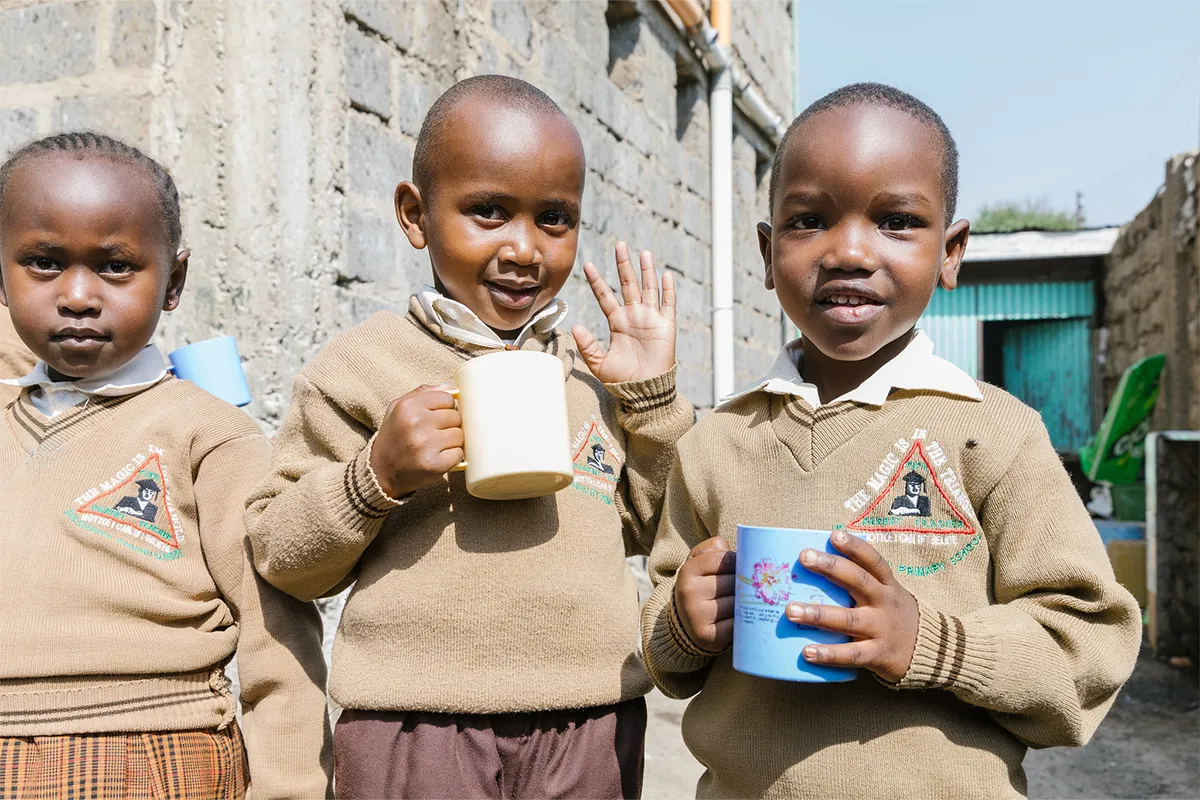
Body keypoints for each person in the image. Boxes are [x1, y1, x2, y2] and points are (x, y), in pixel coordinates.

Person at [641, 83, 1141, 799]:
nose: (848, 251)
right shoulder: (718, 441)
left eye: (897, 221)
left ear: (951, 250)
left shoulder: (993, 435)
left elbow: (1090, 646)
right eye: (808, 220)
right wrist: (685, 624)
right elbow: (665, 634)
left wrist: (931, 644)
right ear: (765, 249)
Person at [245, 75, 693, 800]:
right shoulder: (365, 364)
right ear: (414, 215)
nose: (524, 248)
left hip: (591, 716)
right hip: (414, 723)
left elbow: (652, 526)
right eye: (488, 212)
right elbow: (282, 556)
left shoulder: (591, 369)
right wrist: (375, 476)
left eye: (554, 219)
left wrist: (653, 400)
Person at [0, 132, 332, 799]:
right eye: (43, 261)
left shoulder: (207, 433)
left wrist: (290, 788)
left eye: (116, 266)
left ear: (173, 281)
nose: (78, 295)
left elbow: (278, 634)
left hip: (156, 754)